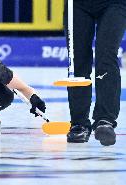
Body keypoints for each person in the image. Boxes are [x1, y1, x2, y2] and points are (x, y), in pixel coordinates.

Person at [65, 0, 126, 146]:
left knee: (106, 57)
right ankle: (79, 123)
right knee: (77, 60)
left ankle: (105, 120)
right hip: (78, 4)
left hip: (115, 3)